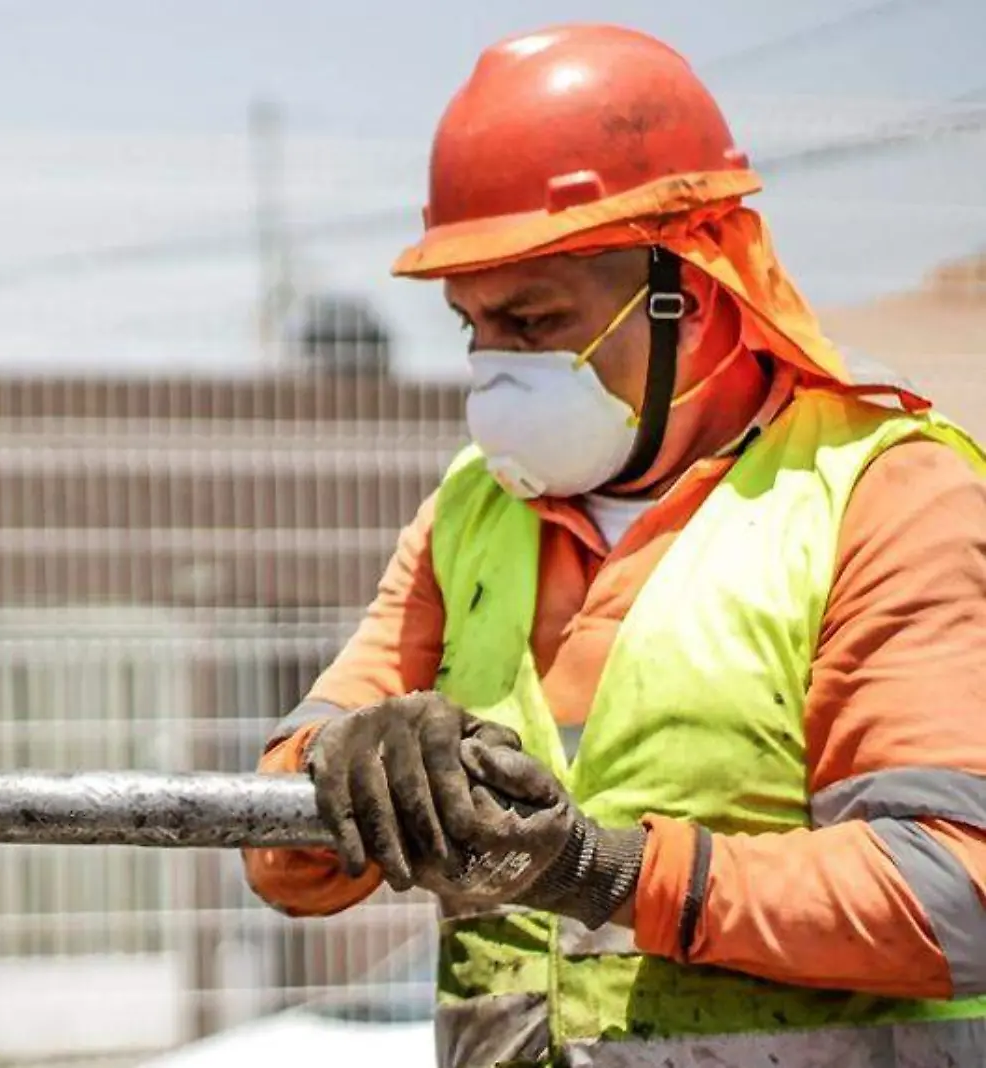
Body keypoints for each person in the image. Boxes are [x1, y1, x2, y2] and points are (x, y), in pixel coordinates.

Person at [244, 23, 986, 1068]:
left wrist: (609, 874)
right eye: (472, 327)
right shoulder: (471, 511)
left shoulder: (883, 494)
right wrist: (337, 764)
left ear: (694, 287)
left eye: (535, 321)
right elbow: (279, 854)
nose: (494, 370)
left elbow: (952, 897)